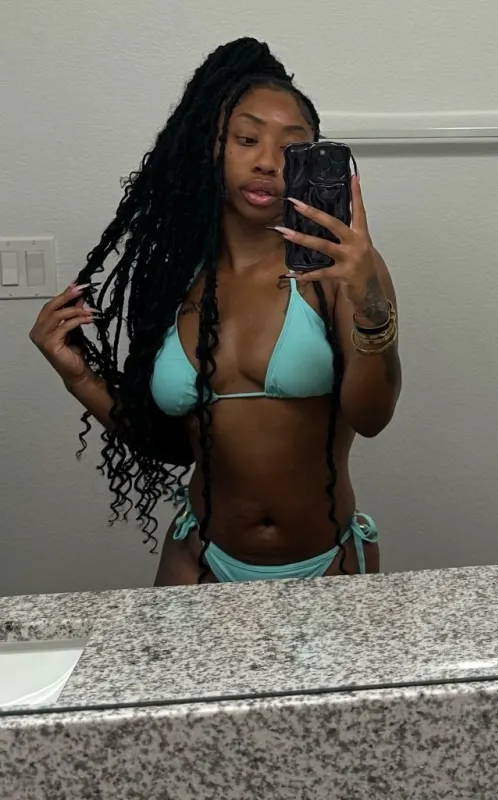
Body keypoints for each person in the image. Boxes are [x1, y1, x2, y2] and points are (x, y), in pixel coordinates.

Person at [29, 37, 402, 585]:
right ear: (213, 147)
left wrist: (369, 301)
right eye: (247, 139)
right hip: (198, 559)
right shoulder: (176, 277)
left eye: (291, 147)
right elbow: (171, 444)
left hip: (326, 565)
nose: (267, 162)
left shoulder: (339, 268)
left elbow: (371, 419)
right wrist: (79, 377)